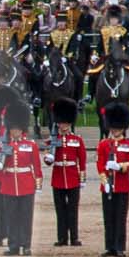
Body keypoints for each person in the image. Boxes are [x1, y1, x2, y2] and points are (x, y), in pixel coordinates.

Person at [0, 98, 42, 256]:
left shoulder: (31, 145)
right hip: (9, 184)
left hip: (26, 184)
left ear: (22, 129)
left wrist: (38, 184)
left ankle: (26, 245)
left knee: (26, 217)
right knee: (11, 217)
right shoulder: (3, 145)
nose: (14, 132)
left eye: (17, 129)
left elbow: (37, 166)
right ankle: (13, 245)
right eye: (12, 129)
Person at [95, 102, 129, 257]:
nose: (115, 130)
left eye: (118, 128)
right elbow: (100, 164)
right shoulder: (104, 144)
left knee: (120, 217)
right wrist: (105, 182)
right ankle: (109, 246)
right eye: (113, 128)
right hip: (108, 186)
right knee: (108, 217)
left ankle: (119, 247)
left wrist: (120, 166)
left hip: (123, 186)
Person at [47, 98, 85, 247]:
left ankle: (74, 237)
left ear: (70, 123)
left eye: (66, 123)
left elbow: (81, 161)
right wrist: (48, 157)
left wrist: (82, 179)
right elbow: (49, 160)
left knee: (72, 210)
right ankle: (62, 237)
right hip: (58, 178)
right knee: (60, 210)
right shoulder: (53, 140)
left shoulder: (77, 140)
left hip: (73, 178)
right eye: (61, 123)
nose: (63, 126)